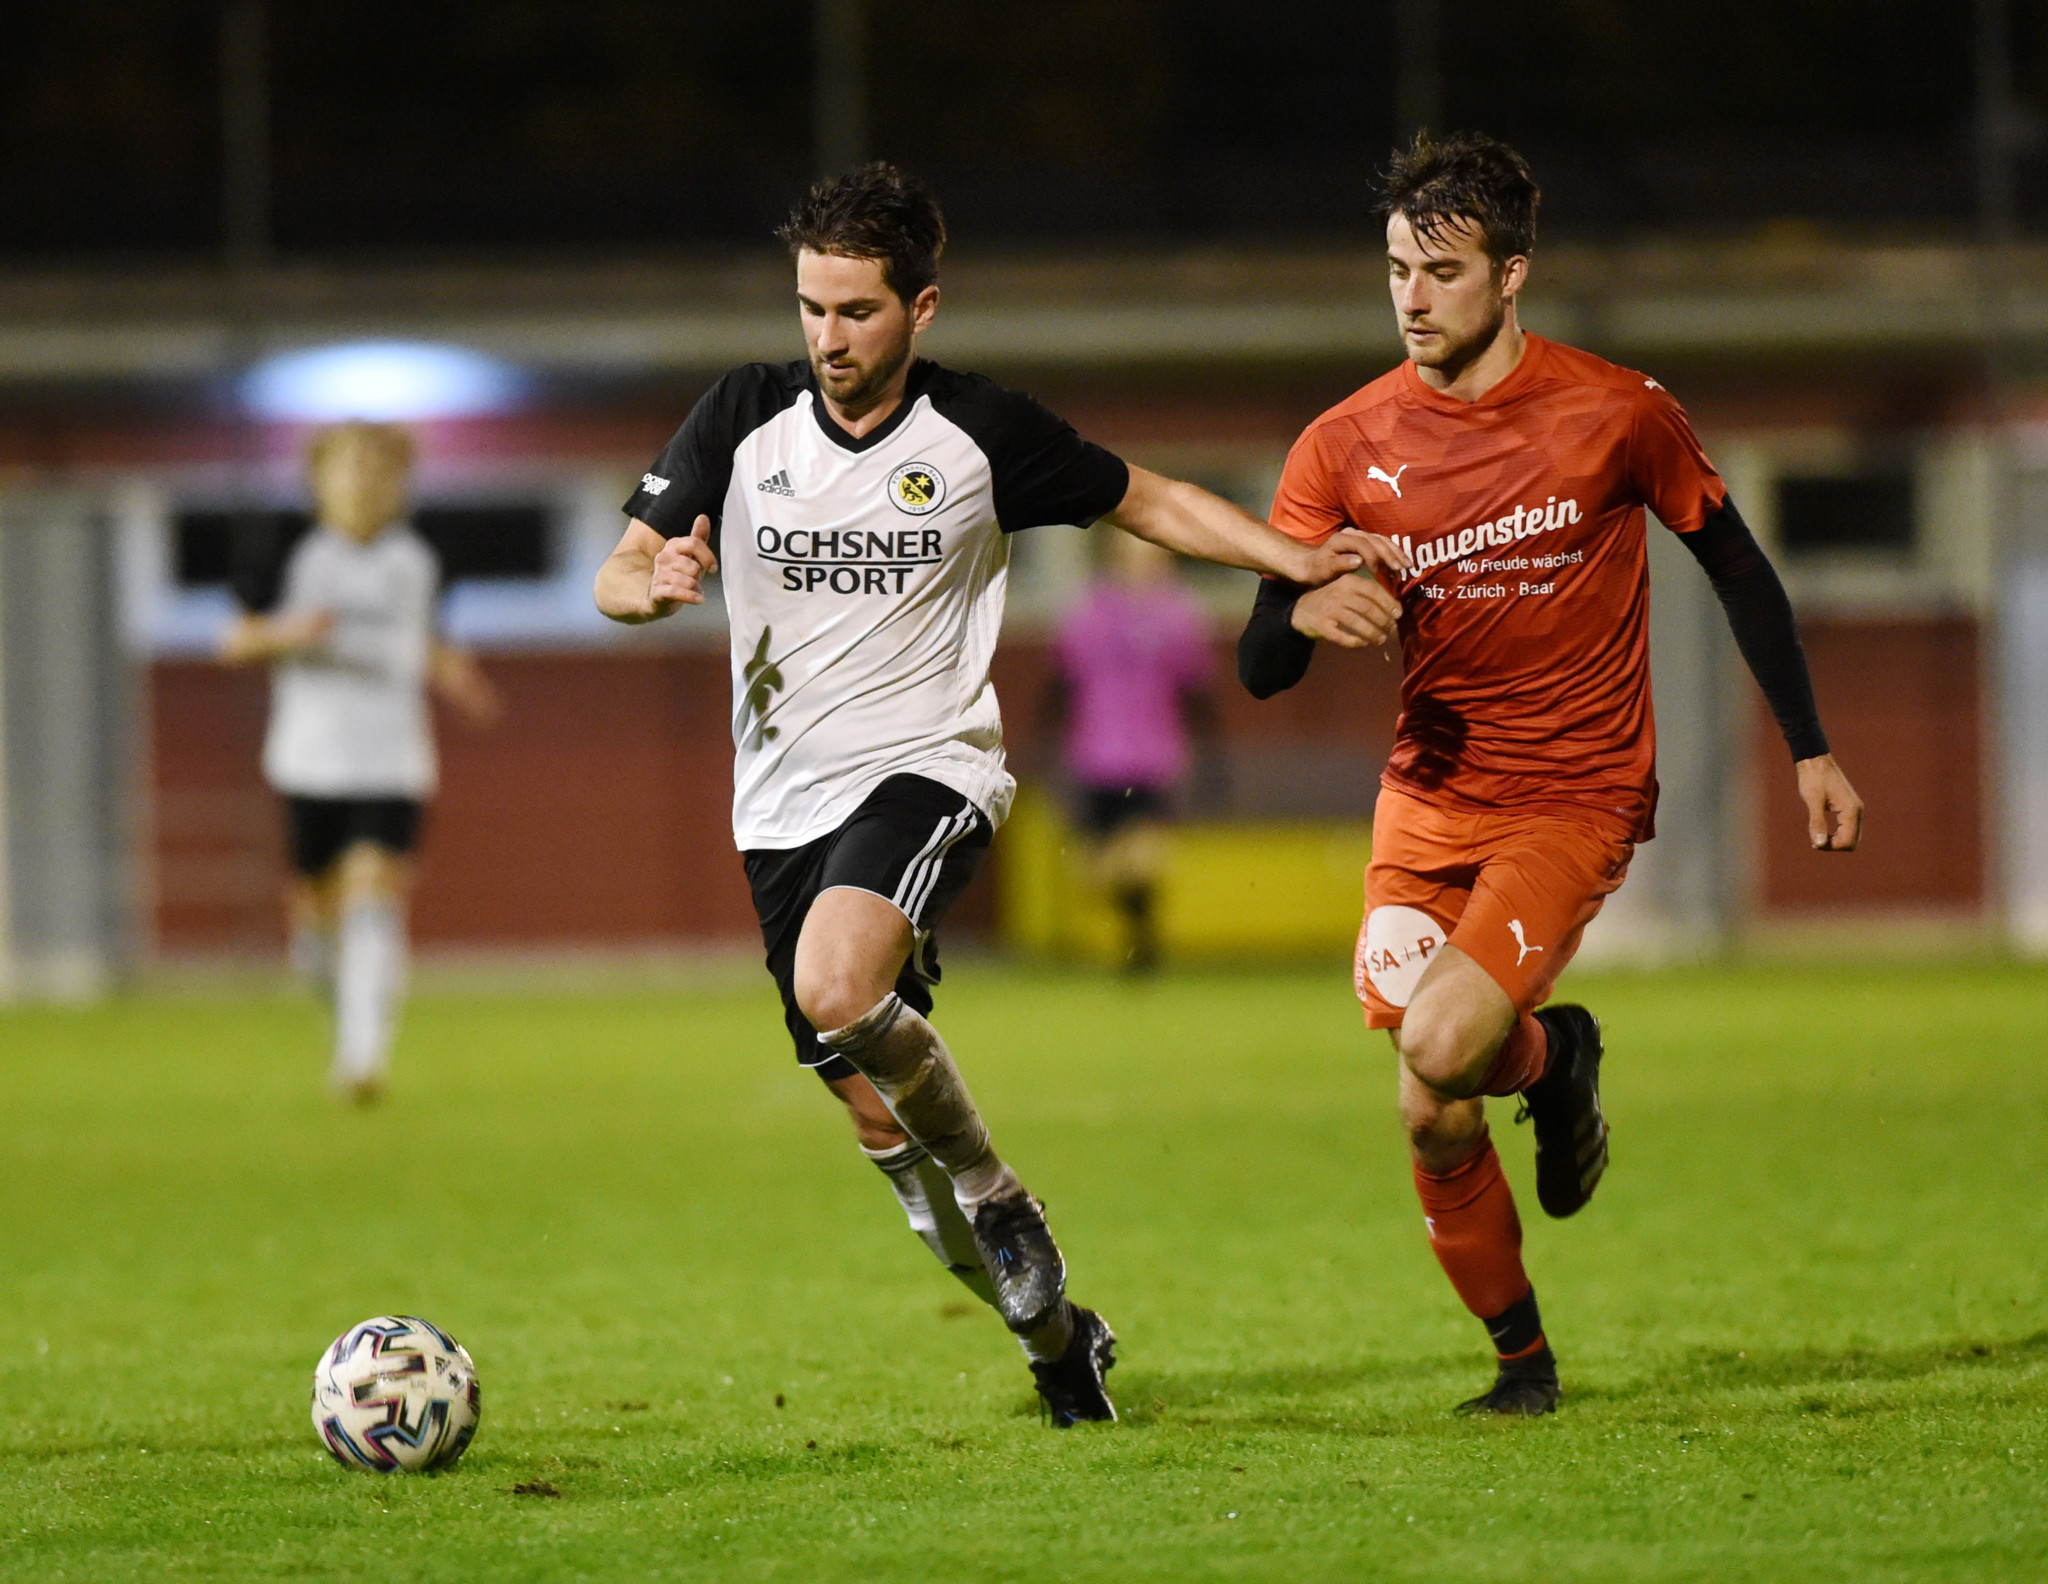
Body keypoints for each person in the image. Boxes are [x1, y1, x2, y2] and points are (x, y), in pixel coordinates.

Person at [595, 162, 1397, 1426]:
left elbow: (1152, 500)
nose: (826, 337)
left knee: (837, 987)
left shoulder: (977, 434)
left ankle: (994, 1182)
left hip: (928, 770)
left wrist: (1293, 556)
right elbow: (621, 567)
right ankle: (1054, 1337)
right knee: (879, 1132)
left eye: (855, 311)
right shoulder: (743, 417)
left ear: (922, 309)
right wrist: (646, 587)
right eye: (810, 307)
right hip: (778, 816)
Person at [1237, 132, 1863, 1416]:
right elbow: (1257, 665)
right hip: (1422, 799)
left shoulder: (1616, 411)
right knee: (1427, 1106)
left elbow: (1736, 569)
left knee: (1441, 1038)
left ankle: (1537, 1057)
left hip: (1569, 800)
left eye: (1443, 272)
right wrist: (1296, 617)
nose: (1412, 299)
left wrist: (1809, 747)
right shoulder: (1342, 443)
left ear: (1511, 273)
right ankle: (1524, 1352)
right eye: (1397, 270)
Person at [220, 421, 500, 1103]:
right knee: (317, 920)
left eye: (378, 471)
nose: (363, 483)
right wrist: (288, 632)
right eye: (348, 469)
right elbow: (234, 643)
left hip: (392, 759)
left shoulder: (421, 557)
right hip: (308, 759)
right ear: (318, 480)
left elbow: (422, 636)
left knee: (374, 891)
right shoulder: (290, 552)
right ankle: (330, 984)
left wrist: (457, 675)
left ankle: (361, 1058)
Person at [1047, 532, 1218, 972]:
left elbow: (1198, 691)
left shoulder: (1178, 614)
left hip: (1153, 757)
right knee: (1096, 874)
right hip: (1095, 755)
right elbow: (1061, 684)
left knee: (1143, 860)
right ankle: (1137, 934)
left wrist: (1214, 760)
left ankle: (1144, 951)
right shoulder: (1088, 612)